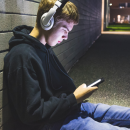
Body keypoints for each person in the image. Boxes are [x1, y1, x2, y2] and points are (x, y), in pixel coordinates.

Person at [3, 0, 130, 130]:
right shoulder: (21, 57)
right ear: (47, 22)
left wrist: (73, 100)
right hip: (53, 123)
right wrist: (74, 98)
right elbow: (32, 114)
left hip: (69, 108)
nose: (66, 37)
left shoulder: (44, 48)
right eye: (65, 29)